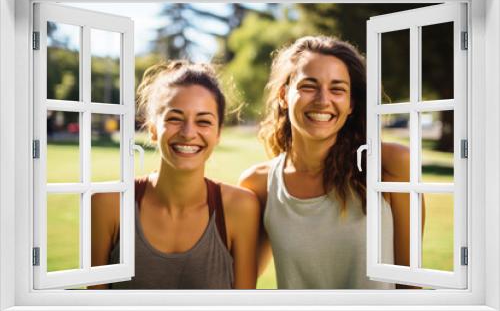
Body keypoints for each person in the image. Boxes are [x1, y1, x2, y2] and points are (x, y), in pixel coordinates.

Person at [239, 36, 416, 289]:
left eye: (337, 89)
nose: (323, 100)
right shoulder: (258, 184)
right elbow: (236, 280)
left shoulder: (390, 166)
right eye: (309, 86)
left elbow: (411, 288)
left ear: (351, 103)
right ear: (283, 95)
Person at [90, 60, 260, 289]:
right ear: (152, 128)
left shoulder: (241, 208)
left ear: (218, 132)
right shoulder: (108, 204)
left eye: (203, 121)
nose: (188, 133)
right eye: (174, 118)